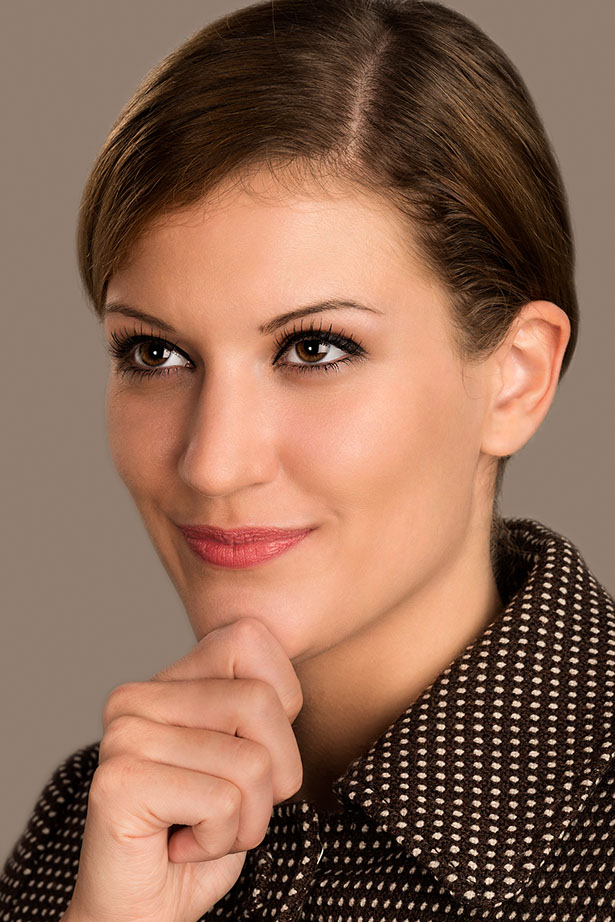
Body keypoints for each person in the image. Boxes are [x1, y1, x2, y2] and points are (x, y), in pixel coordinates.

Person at [1, 0, 613, 920]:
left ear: (514, 379)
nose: (212, 463)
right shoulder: (95, 829)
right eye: (154, 353)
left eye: (314, 348)